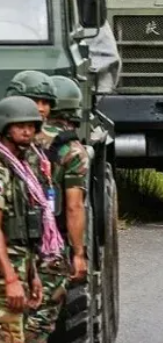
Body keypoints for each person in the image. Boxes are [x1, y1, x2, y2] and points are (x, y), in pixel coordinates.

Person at [25, 76, 89, 343]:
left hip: (13, 244)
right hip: (50, 246)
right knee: (39, 324)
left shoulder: (13, 139)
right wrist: (79, 254)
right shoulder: (71, 149)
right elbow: (74, 207)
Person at [0, 96, 50, 337]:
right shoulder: (2, 170)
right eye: (20, 126)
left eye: (31, 126)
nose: (27, 131)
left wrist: (33, 276)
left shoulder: (21, 168)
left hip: (20, 267)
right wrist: (10, 279)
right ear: (6, 128)